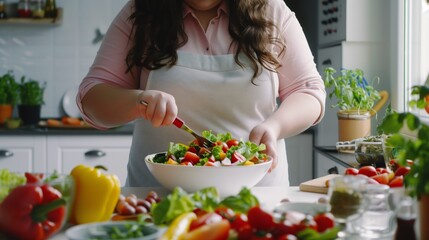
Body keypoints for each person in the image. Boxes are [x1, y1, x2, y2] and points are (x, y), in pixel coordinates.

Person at [77, 0, 326, 187]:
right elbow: (91, 98)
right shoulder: (141, 11)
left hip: (256, 197)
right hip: (156, 199)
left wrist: (274, 127)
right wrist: (138, 101)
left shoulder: (271, 8)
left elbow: (309, 92)